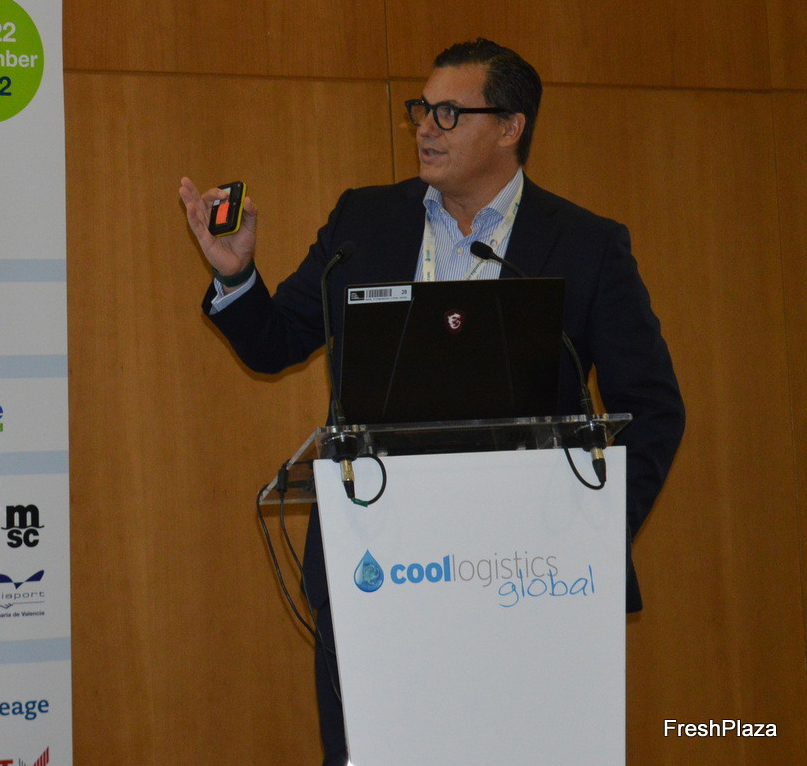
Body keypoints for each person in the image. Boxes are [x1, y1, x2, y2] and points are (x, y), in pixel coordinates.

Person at [179, 38, 685, 766]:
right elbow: (277, 341)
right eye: (422, 110)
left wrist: (591, 533)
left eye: (449, 113)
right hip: (376, 566)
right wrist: (236, 276)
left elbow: (654, 407)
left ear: (509, 127)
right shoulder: (364, 222)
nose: (424, 127)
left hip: (530, 576)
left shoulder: (586, 244)